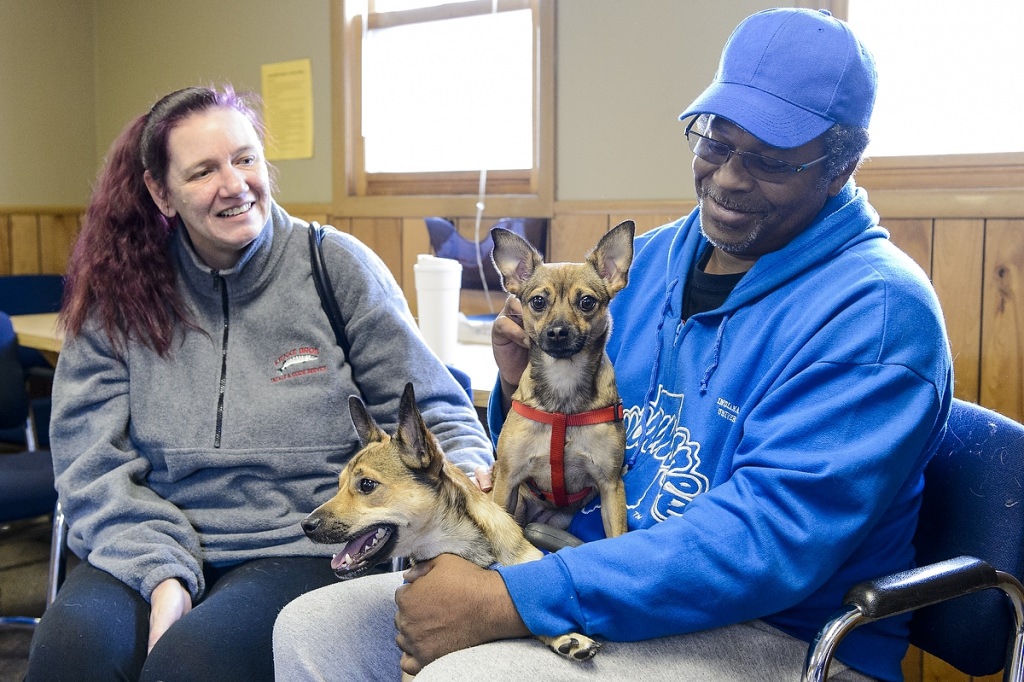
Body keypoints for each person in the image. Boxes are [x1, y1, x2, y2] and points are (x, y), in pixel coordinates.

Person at [273, 9, 952, 682]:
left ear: (842, 165)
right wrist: (519, 389)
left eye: (771, 160)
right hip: (588, 570)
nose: (730, 177)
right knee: (314, 633)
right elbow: (567, 462)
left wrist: (514, 599)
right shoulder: (650, 263)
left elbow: (761, 547)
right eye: (716, 141)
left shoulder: (878, 317)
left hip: (776, 631)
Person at [25, 85, 493, 682]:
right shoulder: (120, 294)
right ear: (160, 192)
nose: (234, 183)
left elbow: (430, 409)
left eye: (245, 159)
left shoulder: (334, 267)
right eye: (203, 171)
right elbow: (88, 463)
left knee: (190, 667)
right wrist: (162, 571)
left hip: (303, 543)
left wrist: (468, 481)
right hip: (149, 533)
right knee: (69, 658)